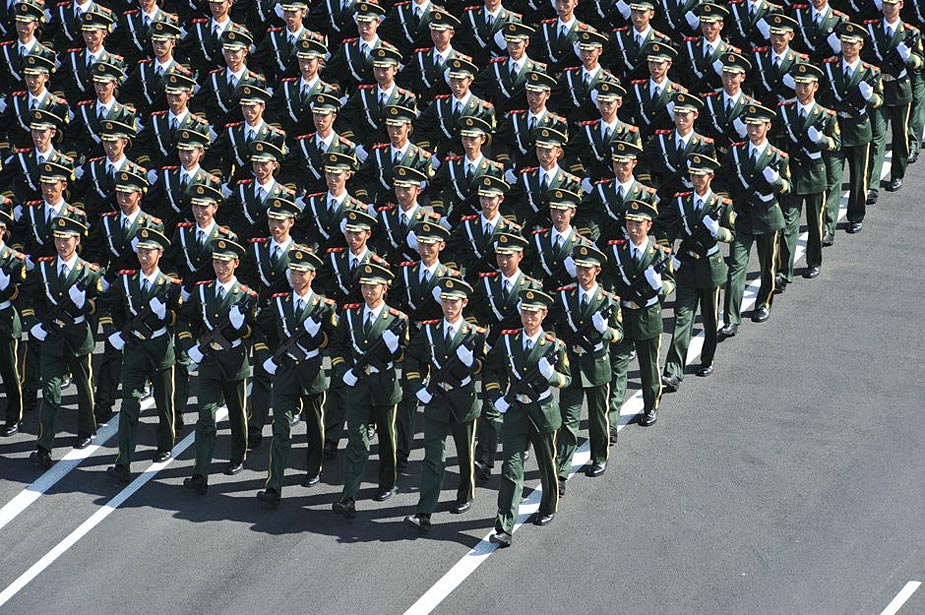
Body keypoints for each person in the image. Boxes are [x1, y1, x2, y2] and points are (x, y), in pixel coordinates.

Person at [483, 288, 570, 548]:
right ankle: (504, 526)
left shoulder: (554, 346)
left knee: (547, 465)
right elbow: (491, 370)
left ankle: (548, 505)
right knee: (511, 469)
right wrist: (496, 395)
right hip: (516, 413)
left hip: (542, 412)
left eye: (534, 313)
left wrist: (552, 376)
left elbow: (567, 379)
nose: (529, 318)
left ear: (543, 315)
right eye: (525, 312)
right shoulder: (508, 340)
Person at [403, 278, 488, 531]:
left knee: (465, 454)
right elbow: (412, 359)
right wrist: (418, 387)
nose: (449, 306)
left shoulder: (475, 334)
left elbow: (487, 366)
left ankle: (465, 494)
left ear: (464, 303)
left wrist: (472, 363)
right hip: (437, 400)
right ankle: (424, 511)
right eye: (446, 301)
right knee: (433, 458)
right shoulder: (429, 330)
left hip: (463, 400)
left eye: (454, 302)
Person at [255, 246, 339, 505]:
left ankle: (314, 469)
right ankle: (274, 485)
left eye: (302, 273)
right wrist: (265, 356)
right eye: (293, 272)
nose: (296, 277)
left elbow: (334, 340)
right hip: (285, 372)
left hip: (311, 371)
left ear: (312, 275)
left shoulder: (325, 306)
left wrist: (318, 336)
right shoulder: (279, 302)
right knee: (280, 429)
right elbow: (261, 330)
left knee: (315, 427)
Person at [329, 263, 409, 517]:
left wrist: (395, 349)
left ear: (384, 289)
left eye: (373, 286)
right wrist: (343, 371)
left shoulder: (397, 319)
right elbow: (337, 347)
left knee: (387, 438)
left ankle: (387, 482)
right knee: (357, 441)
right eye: (364, 286)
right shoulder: (350, 314)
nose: (367, 291)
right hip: (358, 386)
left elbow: (404, 357)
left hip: (384, 385)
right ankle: (349, 496)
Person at [180, 238, 258, 494]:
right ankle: (200, 473)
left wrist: (241, 326)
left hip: (233, 361)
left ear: (235, 263)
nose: (220, 267)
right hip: (209, 362)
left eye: (225, 262)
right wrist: (190, 345)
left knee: (237, 413)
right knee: (205, 417)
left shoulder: (247, 295)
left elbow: (253, 331)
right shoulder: (202, 291)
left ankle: (237, 455)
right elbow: (185, 320)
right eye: (216, 262)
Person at [104, 228, 183, 482]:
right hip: (135, 349)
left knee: (164, 403)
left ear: (159, 254)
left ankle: (165, 444)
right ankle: (123, 461)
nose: (144, 256)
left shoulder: (170, 286)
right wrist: (117, 331)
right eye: (140, 251)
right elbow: (110, 305)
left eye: (149, 252)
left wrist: (165, 316)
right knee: (129, 405)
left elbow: (180, 317)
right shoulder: (126, 281)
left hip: (160, 350)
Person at [28, 216, 103, 468]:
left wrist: (86, 305)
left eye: (66, 239)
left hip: (78, 336)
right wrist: (34, 323)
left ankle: (86, 429)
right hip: (52, 338)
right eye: (58, 239)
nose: (62, 244)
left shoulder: (89, 272)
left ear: (77, 240)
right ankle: (43, 445)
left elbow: (100, 303)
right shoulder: (44, 267)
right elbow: (32, 297)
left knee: (84, 387)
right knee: (50, 392)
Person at [655, 154, 734, 390]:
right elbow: (662, 225)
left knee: (710, 320)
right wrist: (668, 252)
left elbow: (732, 235)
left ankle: (707, 359)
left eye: (700, 175)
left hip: (710, 268)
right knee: (682, 318)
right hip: (687, 266)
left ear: (710, 176)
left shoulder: (721, 205)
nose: (696, 179)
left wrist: (718, 231)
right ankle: (673, 371)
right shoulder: (681, 202)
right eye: (693, 175)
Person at [470, 232, 542, 481]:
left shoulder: (532, 288)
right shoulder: (487, 283)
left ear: (520, 256)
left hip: (522, 355)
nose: (502, 260)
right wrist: (480, 335)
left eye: (508, 255)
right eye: (499, 255)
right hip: (495, 353)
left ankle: (522, 445)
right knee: (492, 404)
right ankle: (484, 459)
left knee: (524, 403)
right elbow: (474, 312)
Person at [552, 244, 621, 493]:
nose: (583, 273)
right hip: (572, 365)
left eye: (587, 269)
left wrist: (605, 330)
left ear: (597, 271)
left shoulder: (609, 301)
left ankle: (599, 456)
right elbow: (555, 327)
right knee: (567, 420)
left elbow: (619, 335)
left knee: (598, 417)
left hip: (596, 366)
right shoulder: (564, 296)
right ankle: (561, 470)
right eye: (580, 268)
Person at [717, 104, 790, 333]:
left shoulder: (778, 157)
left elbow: (788, 188)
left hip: (768, 218)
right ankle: (731, 318)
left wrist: (777, 182)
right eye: (749, 125)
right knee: (736, 267)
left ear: (768, 127)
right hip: (742, 217)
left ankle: (763, 304)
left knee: (768, 266)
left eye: (758, 126)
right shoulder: (735, 152)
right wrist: (727, 205)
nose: (753, 130)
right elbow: (723, 180)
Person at [603, 199, 674, 428]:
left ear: (648, 226)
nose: (633, 229)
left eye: (638, 224)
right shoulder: (616, 250)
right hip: (623, 315)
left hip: (647, 316)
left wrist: (659, 286)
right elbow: (609, 279)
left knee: (648, 367)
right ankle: (611, 422)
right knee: (617, 369)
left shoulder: (659, 254)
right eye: (630, 223)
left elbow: (670, 283)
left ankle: (651, 406)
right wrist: (612, 299)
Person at [774, 63, 840, 287]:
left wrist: (821, 140)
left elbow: (836, 144)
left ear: (815, 86)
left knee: (815, 222)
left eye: (806, 85)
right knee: (788, 225)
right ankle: (784, 271)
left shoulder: (826, 116)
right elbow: (775, 138)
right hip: (792, 173)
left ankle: (814, 261)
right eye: (799, 84)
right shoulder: (784, 110)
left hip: (814, 174)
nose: (802, 89)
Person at [820, 22, 883, 239]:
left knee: (858, 178)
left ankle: (856, 216)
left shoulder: (871, 72)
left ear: (861, 45)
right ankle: (828, 227)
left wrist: (870, 97)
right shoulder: (829, 67)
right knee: (832, 180)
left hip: (858, 131)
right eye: (844, 43)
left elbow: (879, 101)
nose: (847, 47)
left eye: (852, 43)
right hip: (836, 130)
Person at [862, 0, 923, 198]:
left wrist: (908, 58)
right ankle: (872, 185)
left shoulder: (910, 32)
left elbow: (920, 61)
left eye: (892, 4)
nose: (888, 8)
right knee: (877, 137)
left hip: (900, 89)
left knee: (900, 135)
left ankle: (897, 174)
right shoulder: (871, 28)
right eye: (885, 3)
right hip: (879, 89)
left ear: (901, 5)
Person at [0, 205, 28, 437]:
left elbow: (22, 291)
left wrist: (7, 289)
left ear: (2, 230)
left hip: (4, 317)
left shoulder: (13, 259)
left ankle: (13, 416)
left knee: (10, 371)